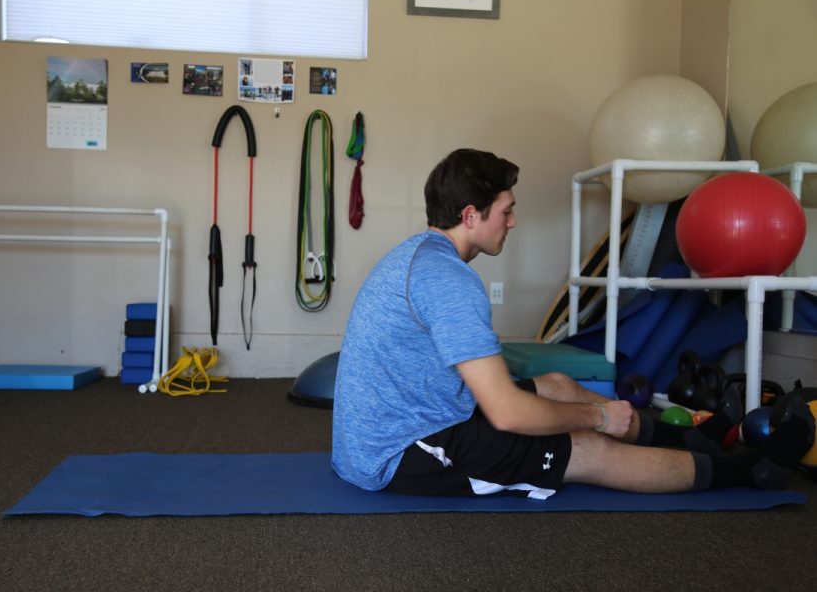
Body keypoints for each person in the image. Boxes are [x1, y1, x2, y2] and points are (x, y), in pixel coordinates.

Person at [331, 148, 815, 499]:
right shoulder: (450, 282)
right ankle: (751, 471)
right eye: (507, 209)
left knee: (557, 384)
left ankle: (685, 440)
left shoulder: (419, 253)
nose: (513, 222)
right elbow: (507, 414)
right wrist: (600, 417)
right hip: (397, 454)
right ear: (471, 215)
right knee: (586, 449)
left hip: (408, 416)